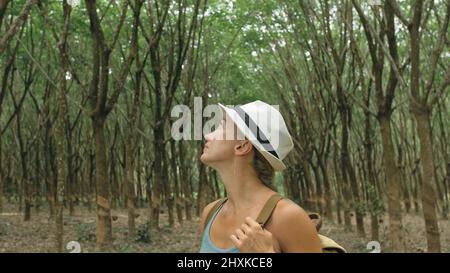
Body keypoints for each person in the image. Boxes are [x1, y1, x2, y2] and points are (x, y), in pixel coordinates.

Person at [199, 100, 322, 253]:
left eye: (222, 126)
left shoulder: (288, 217)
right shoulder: (210, 212)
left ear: (242, 146)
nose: (207, 135)